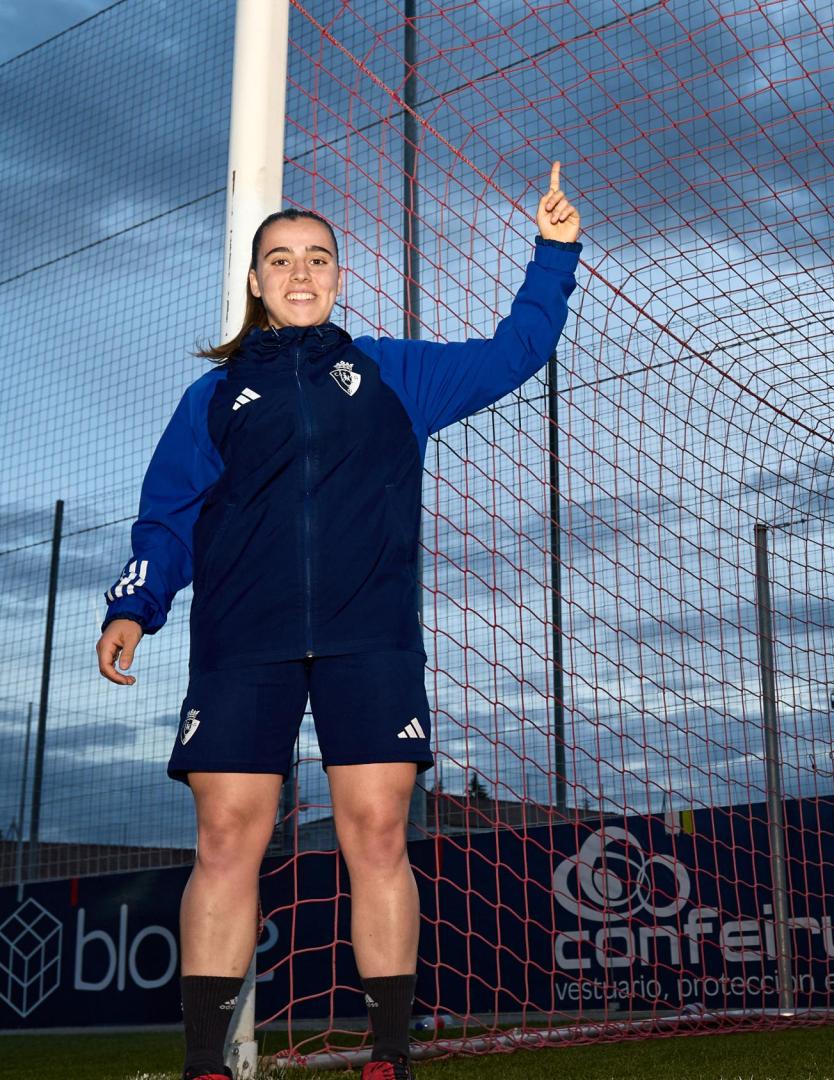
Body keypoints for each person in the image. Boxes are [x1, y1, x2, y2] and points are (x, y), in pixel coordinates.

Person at [97, 165, 582, 1080]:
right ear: (256, 280)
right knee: (227, 840)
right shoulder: (212, 399)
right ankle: (205, 1064)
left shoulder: (397, 374)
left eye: (317, 257)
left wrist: (554, 253)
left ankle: (388, 1056)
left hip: (371, 637)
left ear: (339, 276)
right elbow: (167, 517)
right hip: (243, 642)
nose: (301, 272)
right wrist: (135, 605)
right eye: (281, 259)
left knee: (376, 834)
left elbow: (516, 350)